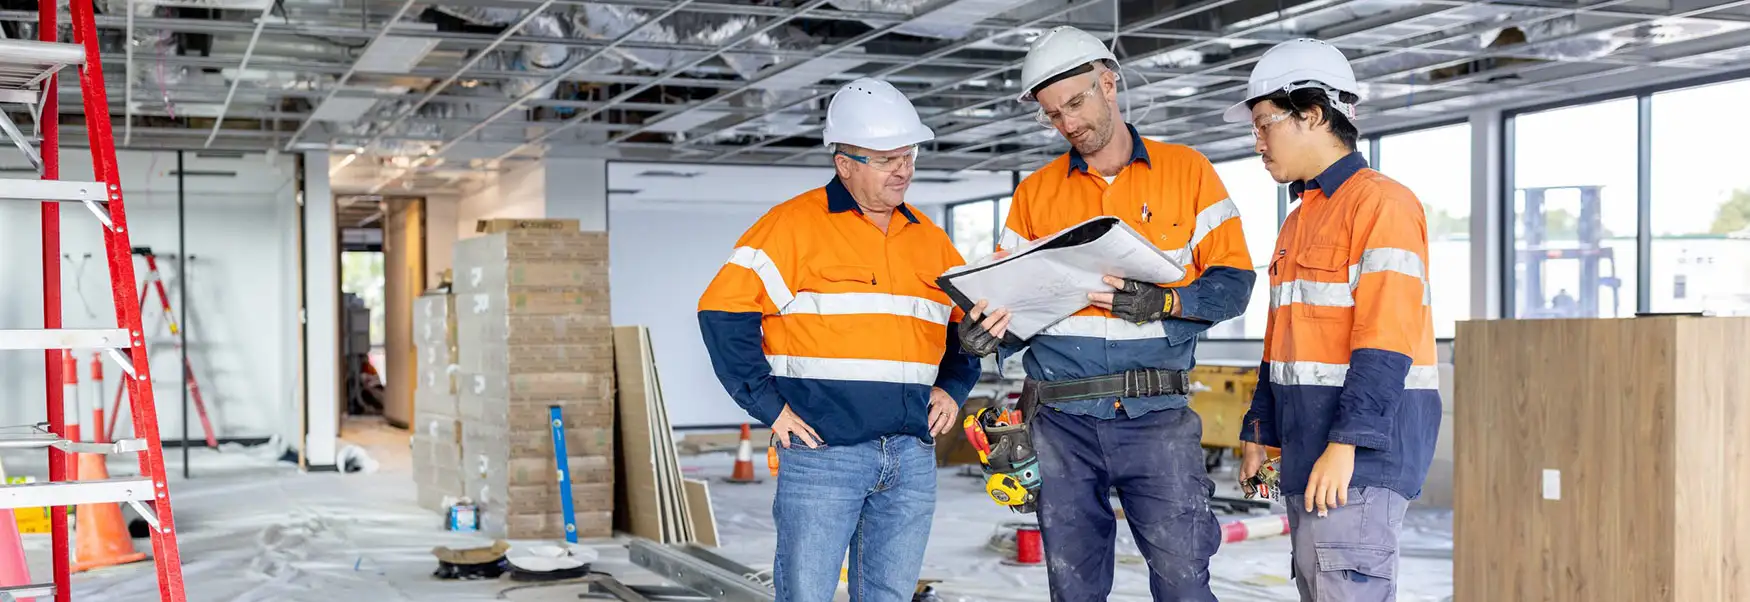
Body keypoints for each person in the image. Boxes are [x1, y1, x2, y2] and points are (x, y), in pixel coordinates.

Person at [958, 25, 1256, 602]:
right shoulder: (1034, 194)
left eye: (1076, 102)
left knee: (1184, 581)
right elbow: (1010, 305)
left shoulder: (1188, 172)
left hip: (1157, 419)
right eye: (1052, 114)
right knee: (1073, 587)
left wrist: (1166, 302)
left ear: (1109, 83)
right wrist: (982, 334)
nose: (1067, 123)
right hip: (1058, 423)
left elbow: (1235, 286)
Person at [696, 78, 983, 602]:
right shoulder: (791, 226)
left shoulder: (931, 239)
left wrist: (954, 387)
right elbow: (721, 311)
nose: (904, 168)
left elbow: (966, 327)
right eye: (886, 157)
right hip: (822, 456)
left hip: (911, 454)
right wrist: (770, 408)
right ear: (844, 163)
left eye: (909, 153)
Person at [1226, 38, 1441, 601]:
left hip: (1358, 459)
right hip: (1309, 449)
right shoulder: (1300, 219)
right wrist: (1260, 433)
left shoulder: (1383, 205)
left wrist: (1345, 445)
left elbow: (1386, 339)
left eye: (1265, 125)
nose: (1258, 143)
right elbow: (1283, 344)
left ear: (1313, 114)